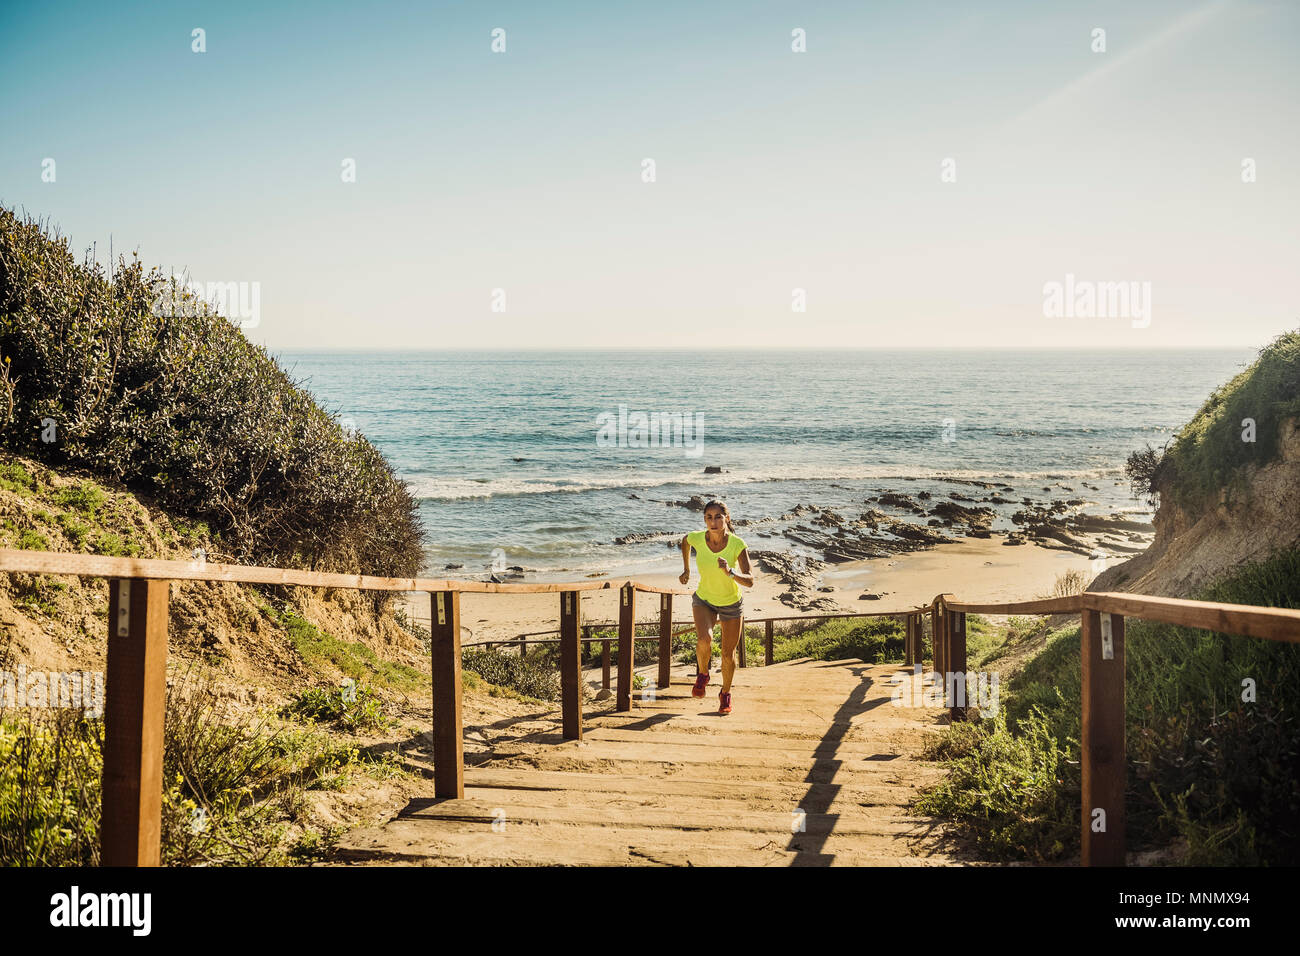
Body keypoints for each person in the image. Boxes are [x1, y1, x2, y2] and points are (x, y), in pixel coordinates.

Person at [678, 500, 754, 714]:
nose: (713, 521)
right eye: (709, 517)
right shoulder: (698, 538)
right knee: (704, 639)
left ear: (726, 519)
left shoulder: (737, 544)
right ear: (704, 519)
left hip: (731, 603)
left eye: (718, 517)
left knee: (728, 655)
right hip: (704, 600)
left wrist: (730, 572)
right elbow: (685, 541)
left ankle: (725, 693)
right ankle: (703, 674)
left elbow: (750, 580)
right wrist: (686, 569)